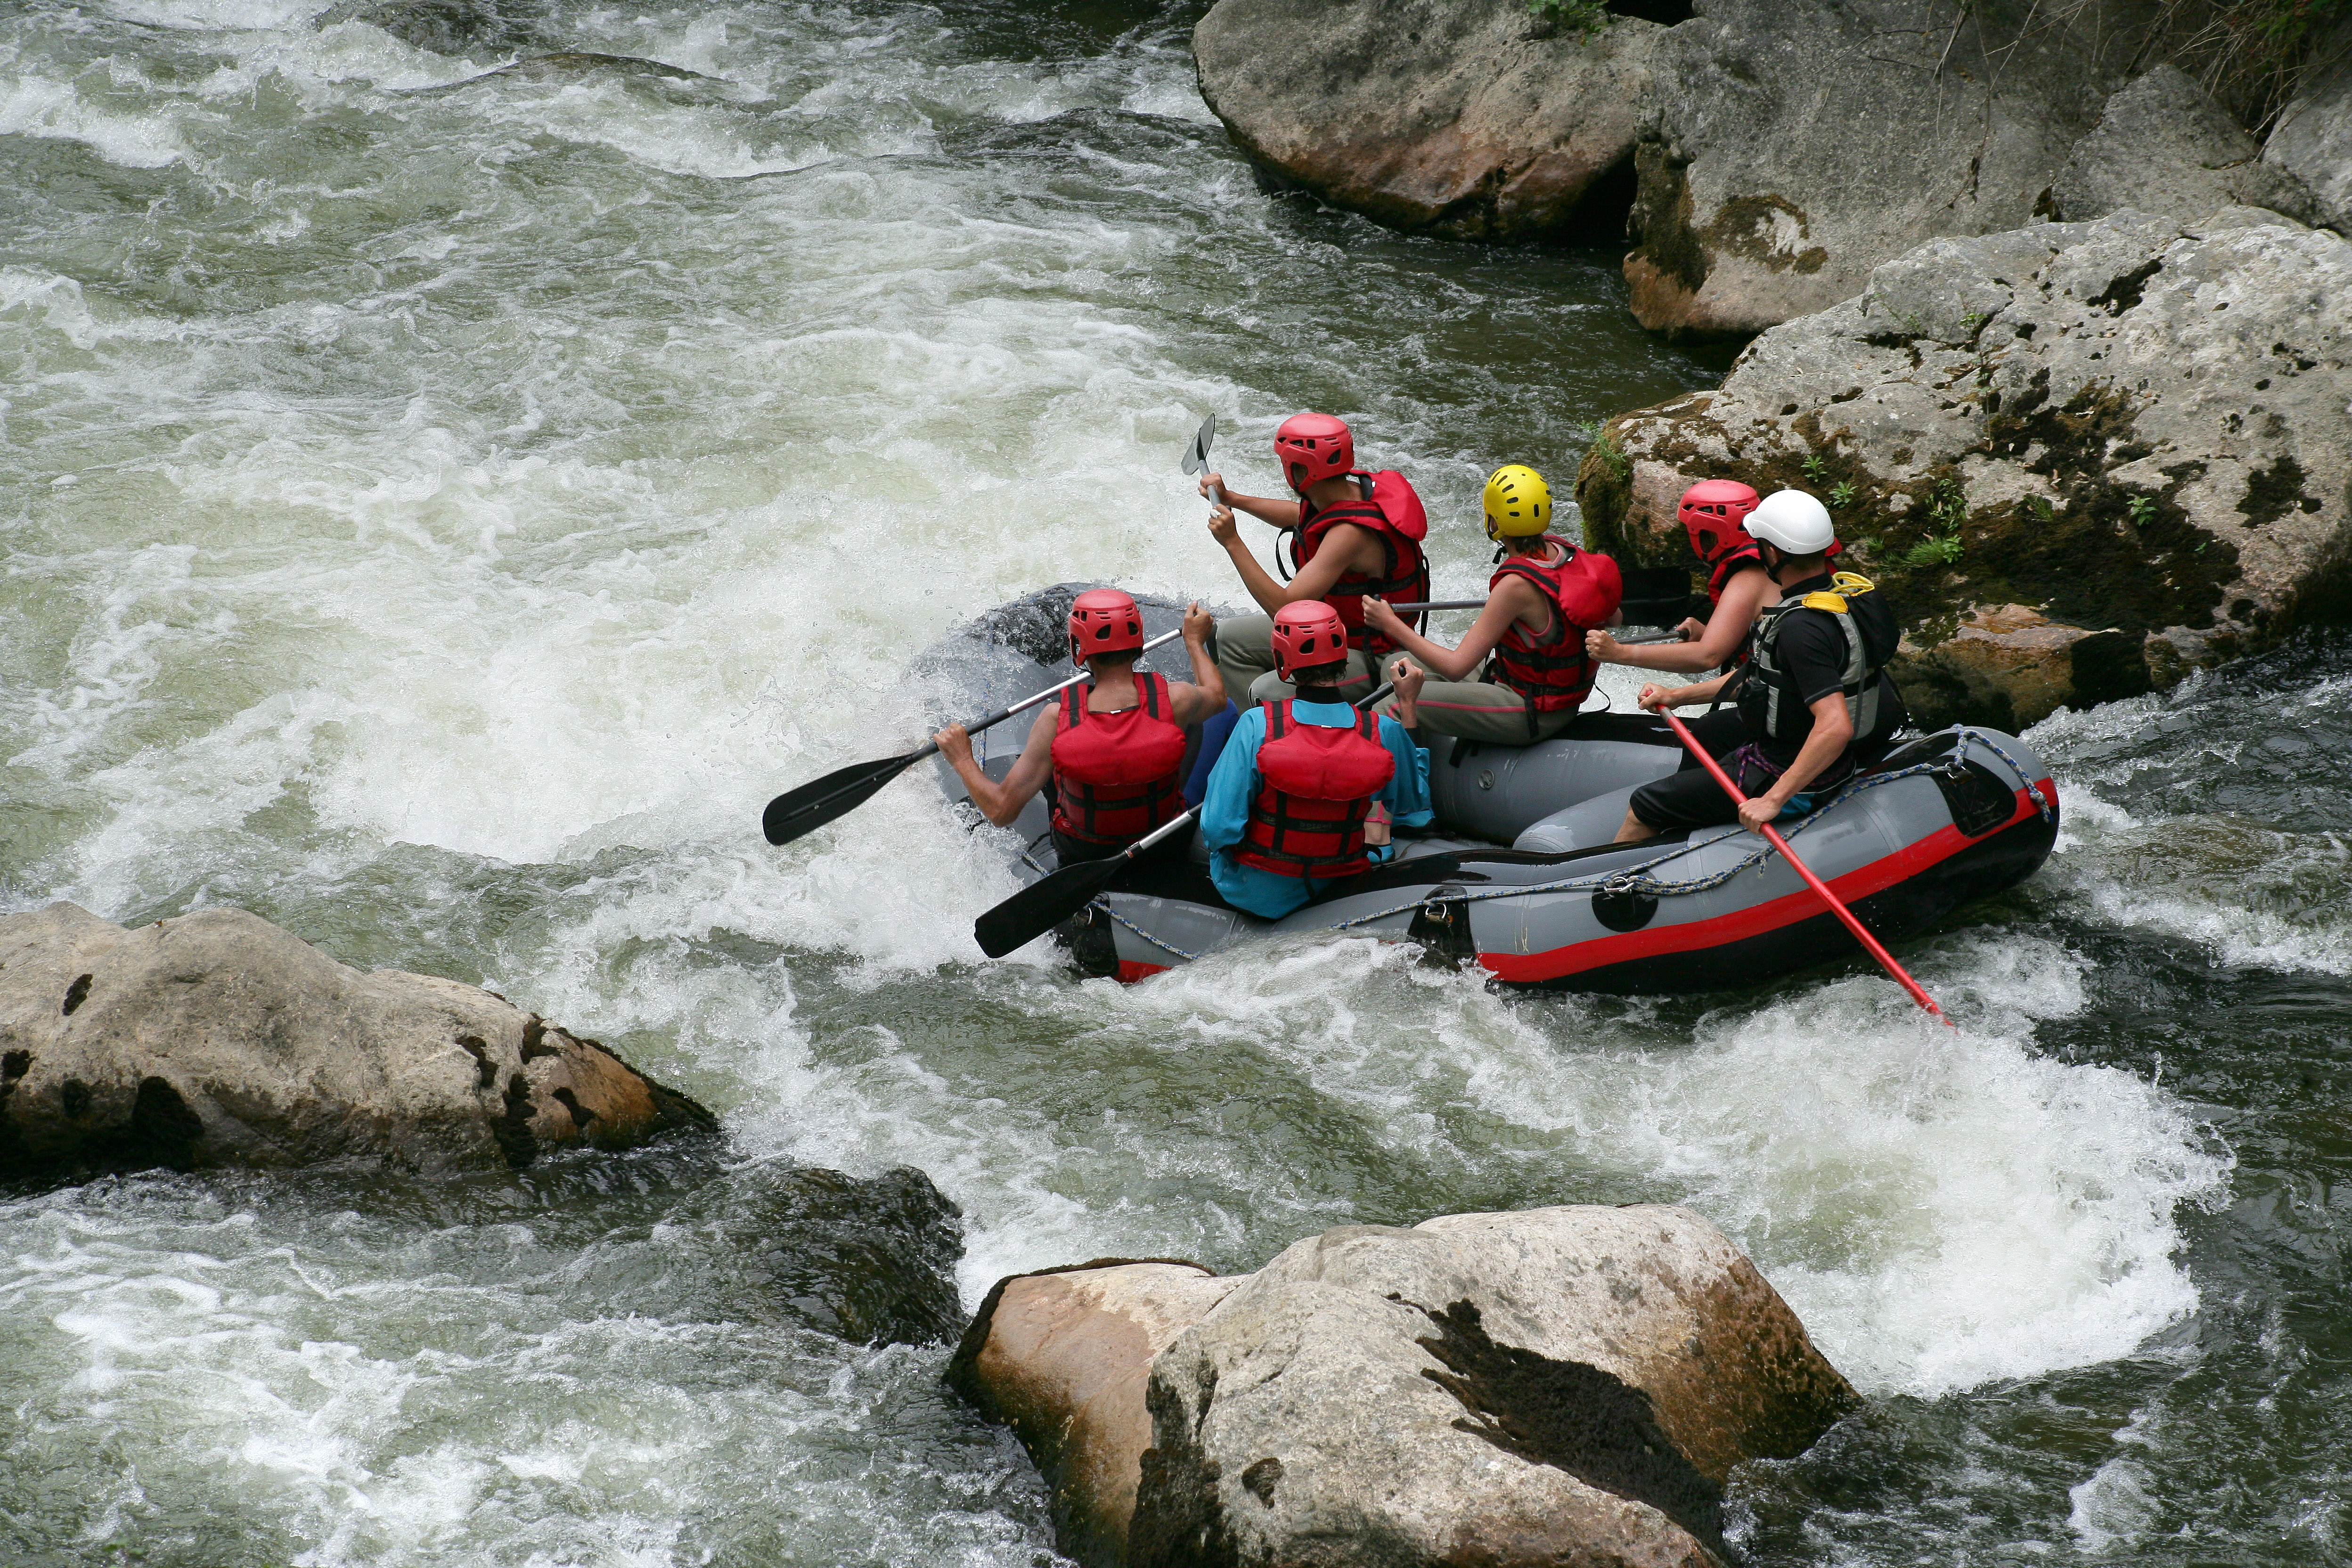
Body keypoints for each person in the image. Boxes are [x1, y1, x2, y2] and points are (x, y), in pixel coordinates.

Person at [1616, 489, 1906, 843]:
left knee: (1644, 804)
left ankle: (1617, 888)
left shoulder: (1801, 627)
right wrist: (1676, 695)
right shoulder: (1839, 599)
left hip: (1797, 776)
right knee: (1710, 731)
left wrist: (1772, 799)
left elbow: (1835, 726)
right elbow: (1763, 680)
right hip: (1817, 753)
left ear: (1772, 552)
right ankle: (1693, 820)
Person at [936, 590, 1226, 864]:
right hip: (1162, 845)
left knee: (1055, 755)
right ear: (1138, 640)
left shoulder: (1055, 719)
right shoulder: (1179, 698)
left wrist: (962, 760)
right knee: (1192, 724)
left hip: (1084, 855)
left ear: (1078, 646)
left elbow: (1001, 811)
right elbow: (1218, 697)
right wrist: (1193, 642)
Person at [1199, 601, 1435, 919]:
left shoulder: (1257, 725)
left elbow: (1218, 828)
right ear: (1342, 658)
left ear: (1282, 660)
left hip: (1254, 892)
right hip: (1339, 889)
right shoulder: (1384, 731)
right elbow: (1415, 809)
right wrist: (1407, 704)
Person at [1361, 464, 1622, 743]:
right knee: (1397, 663)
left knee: (1393, 700)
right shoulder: (1565, 553)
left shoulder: (1516, 586)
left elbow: (1456, 667)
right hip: (1543, 694)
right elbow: (1615, 618)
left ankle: (1392, 781)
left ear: (1494, 522)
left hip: (1528, 711)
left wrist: (1389, 623)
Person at [1199, 412, 1430, 705]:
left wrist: (1232, 542)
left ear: (1298, 470)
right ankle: (1255, 729)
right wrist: (1232, 498)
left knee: (1267, 691)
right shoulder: (1348, 492)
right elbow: (1300, 516)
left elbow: (1284, 609)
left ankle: (1279, 735)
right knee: (1225, 639)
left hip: (1370, 655)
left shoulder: (1350, 535)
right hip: (1332, 632)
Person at [1586, 479, 1772, 757]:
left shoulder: (1749, 577)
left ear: (1711, 534)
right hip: (1785, 695)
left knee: (1710, 731)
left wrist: (1618, 652)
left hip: (1785, 711)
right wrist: (1711, 630)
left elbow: (1706, 658)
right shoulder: (1770, 563)